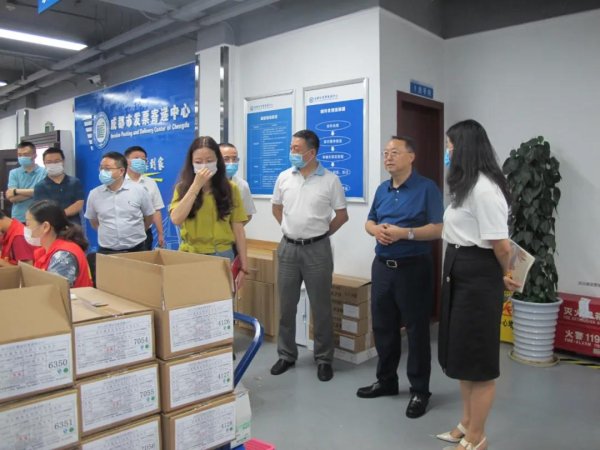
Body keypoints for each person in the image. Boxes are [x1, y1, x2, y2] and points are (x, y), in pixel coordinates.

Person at [436, 120, 520, 450]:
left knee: (479, 362)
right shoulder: (467, 186)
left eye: (450, 146)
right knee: (462, 356)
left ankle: (477, 436)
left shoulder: (485, 189)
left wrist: (507, 273)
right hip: (459, 268)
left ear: (465, 149)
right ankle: (466, 423)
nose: (447, 152)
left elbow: (502, 246)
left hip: (478, 275)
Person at [356, 136, 443, 419]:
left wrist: (405, 233)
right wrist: (375, 230)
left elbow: (438, 228)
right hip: (382, 266)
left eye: (394, 152)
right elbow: (369, 220)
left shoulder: (427, 188)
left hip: (413, 267)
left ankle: (420, 390)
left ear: (411, 156)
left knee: (416, 331)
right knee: (383, 327)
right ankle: (386, 381)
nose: (388, 157)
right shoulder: (382, 189)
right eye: (385, 153)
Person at [270, 129, 348, 382]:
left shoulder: (330, 180)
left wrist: (321, 234)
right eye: (291, 147)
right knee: (286, 306)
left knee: (321, 307)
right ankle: (286, 354)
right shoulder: (284, 177)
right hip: (288, 248)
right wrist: (290, 229)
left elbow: (342, 215)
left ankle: (324, 359)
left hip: (317, 250)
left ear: (311, 152)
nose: (291, 152)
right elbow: (276, 207)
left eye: (296, 148)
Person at [169, 136, 249, 278]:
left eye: (209, 160)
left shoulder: (231, 188)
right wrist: (196, 186)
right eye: (198, 162)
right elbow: (176, 219)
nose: (204, 166)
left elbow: (238, 229)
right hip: (190, 254)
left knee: (220, 293)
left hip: (221, 253)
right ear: (191, 163)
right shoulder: (182, 188)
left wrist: (244, 266)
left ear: (218, 161)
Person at [85, 151, 154, 254]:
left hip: (136, 249)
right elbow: (94, 222)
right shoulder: (94, 194)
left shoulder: (139, 190)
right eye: (101, 168)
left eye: (107, 169)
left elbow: (149, 217)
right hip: (106, 250)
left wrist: (137, 231)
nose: (102, 172)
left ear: (121, 171)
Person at [26, 200, 92, 288]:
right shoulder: (44, 250)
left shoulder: (63, 255)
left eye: (28, 224)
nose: (26, 228)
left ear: (45, 227)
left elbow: (54, 292)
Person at [124, 145, 165, 249]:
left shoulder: (150, 183)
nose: (141, 162)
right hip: (122, 233)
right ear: (126, 161)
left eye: (143, 160)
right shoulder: (118, 182)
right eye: (136, 158)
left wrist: (160, 233)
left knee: (144, 258)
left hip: (145, 233)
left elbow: (156, 210)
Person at [33, 147, 85, 225]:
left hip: (74, 226)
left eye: (57, 161)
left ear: (63, 161)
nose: (53, 164)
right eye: (49, 162)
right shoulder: (39, 186)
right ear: (44, 163)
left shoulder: (75, 182)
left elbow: (79, 204)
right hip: (51, 227)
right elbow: (41, 210)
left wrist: (60, 215)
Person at [5, 141, 47, 223]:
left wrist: (16, 191)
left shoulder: (44, 172)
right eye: (19, 155)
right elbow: (12, 198)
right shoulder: (14, 173)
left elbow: (43, 192)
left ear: (34, 155)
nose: (22, 157)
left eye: (26, 154)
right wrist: (35, 192)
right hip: (19, 217)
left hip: (39, 217)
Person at [220, 142, 256, 224]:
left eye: (234, 159)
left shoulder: (242, 185)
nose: (231, 163)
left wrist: (233, 229)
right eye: (226, 159)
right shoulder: (206, 183)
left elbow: (248, 214)